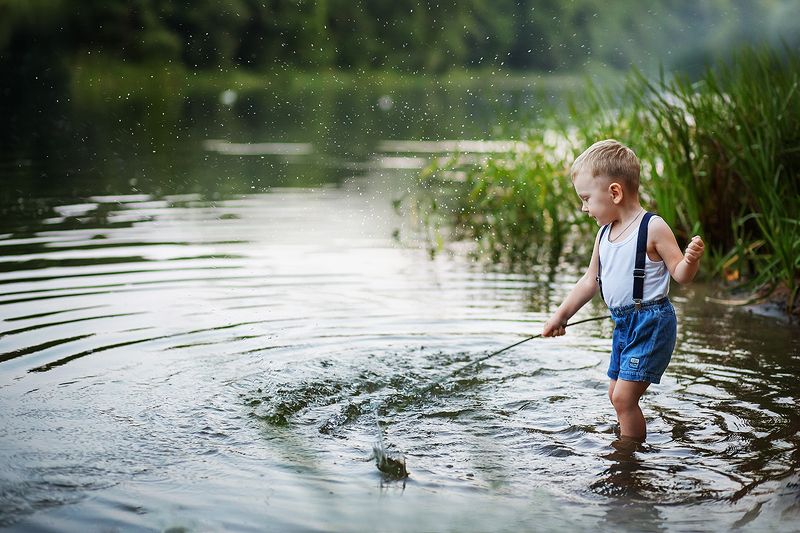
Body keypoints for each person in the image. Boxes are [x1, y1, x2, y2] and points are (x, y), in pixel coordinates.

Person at [542, 139, 705, 442]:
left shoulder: (652, 228)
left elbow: (681, 276)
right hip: (623, 323)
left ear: (614, 192)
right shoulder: (604, 233)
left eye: (587, 198)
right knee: (614, 393)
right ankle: (627, 442)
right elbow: (589, 281)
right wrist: (560, 316)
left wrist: (690, 259)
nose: (584, 207)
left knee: (623, 398)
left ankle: (628, 458)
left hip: (651, 322)